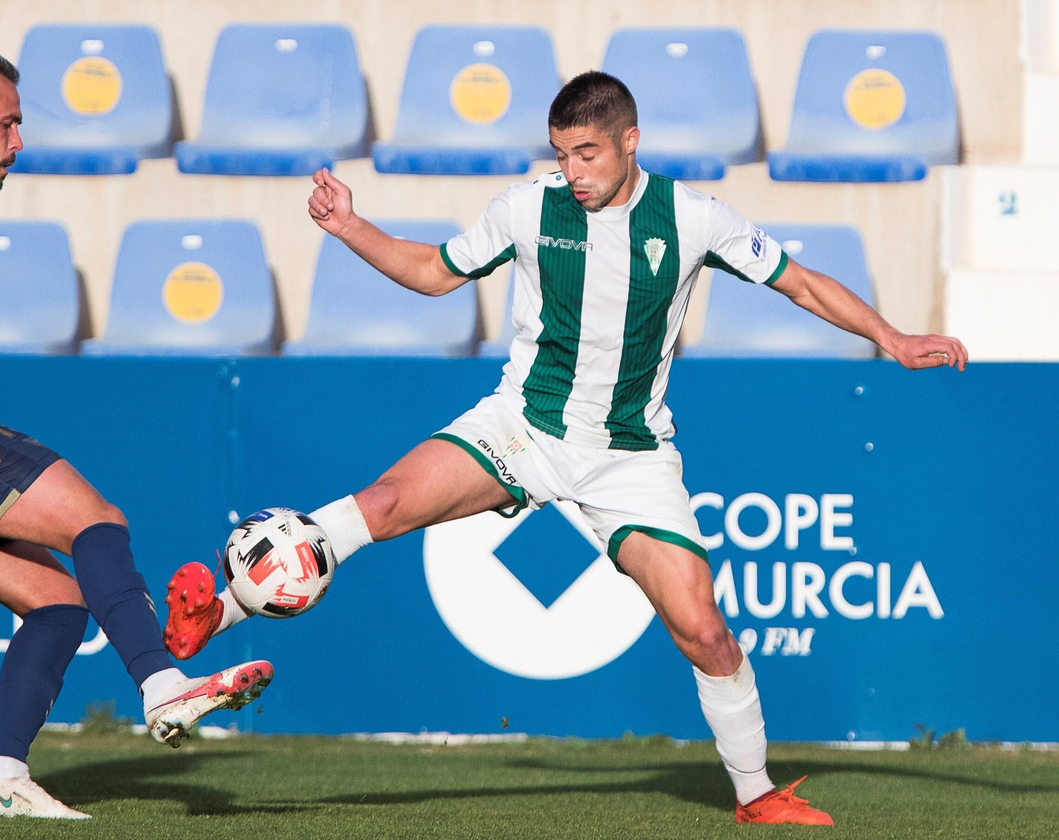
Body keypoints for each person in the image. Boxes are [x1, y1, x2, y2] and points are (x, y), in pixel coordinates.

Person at [164, 71, 968, 826]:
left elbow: (801, 282)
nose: (572, 171)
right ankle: (219, 615)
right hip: (522, 426)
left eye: (586, 153)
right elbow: (434, 273)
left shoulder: (694, 218)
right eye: (561, 153)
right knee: (383, 505)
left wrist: (890, 337)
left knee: (705, 631)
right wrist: (347, 225)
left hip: (630, 457)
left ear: (629, 142)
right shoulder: (528, 208)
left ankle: (755, 796)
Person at [0, 51, 271, 820]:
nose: (17, 142)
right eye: (8, 123)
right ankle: (162, 686)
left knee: (60, 603)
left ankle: (1, 775)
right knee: (97, 521)